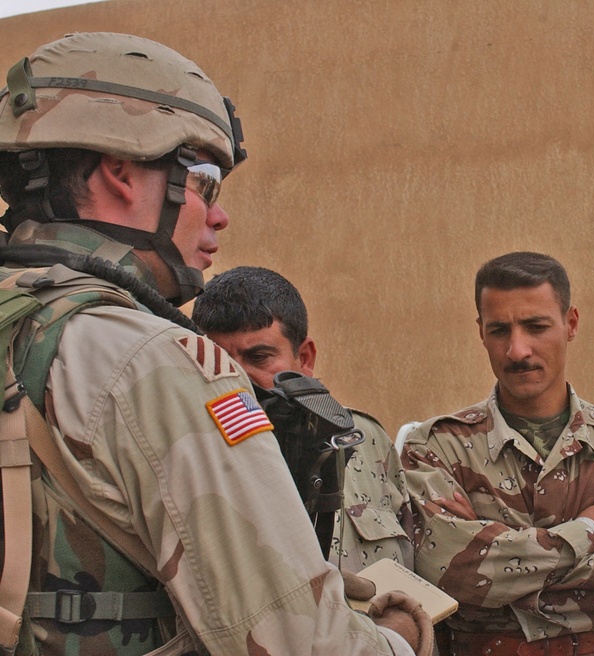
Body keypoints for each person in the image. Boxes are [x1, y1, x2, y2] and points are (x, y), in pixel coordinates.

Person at [0, 32, 428, 655]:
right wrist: (400, 637)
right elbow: (299, 645)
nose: (218, 215)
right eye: (205, 181)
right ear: (120, 170)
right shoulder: (151, 361)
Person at [402, 251, 594, 656]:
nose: (517, 350)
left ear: (570, 324)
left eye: (536, 327)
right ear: (481, 332)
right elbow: (448, 570)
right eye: (499, 330)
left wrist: (494, 550)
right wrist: (590, 530)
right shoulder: (437, 447)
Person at [191, 265, 414, 573]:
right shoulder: (187, 453)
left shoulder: (364, 437)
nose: (238, 379)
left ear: (305, 358)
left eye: (259, 358)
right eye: (220, 362)